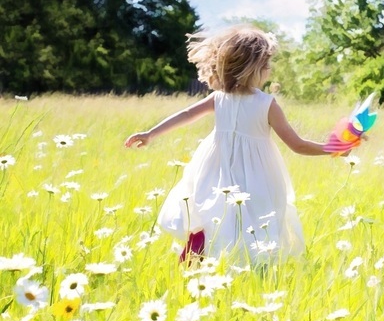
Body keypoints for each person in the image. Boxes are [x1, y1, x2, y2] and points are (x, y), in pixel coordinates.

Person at [124, 25, 334, 264]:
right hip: (255, 174)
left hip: (215, 167)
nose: (269, 69)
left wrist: (151, 133)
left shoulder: (220, 98)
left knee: (213, 212)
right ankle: (243, 266)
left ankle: (200, 259)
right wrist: (332, 148)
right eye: (266, 65)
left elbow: (186, 114)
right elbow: (297, 145)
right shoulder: (266, 104)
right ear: (251, 68)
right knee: (254, 221)